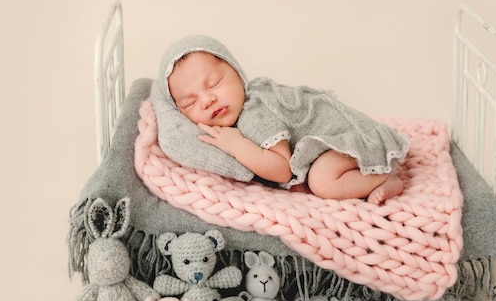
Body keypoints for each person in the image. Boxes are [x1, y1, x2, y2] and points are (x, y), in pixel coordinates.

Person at [152, 35, 409, 205]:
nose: (207, 100)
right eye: (191, 103)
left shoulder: (254, 113)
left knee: (323, 180)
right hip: (339, 141)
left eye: (215, 84)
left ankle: (386, 176)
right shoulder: (241, 112)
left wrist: (238, 146)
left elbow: (281, 167)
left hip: (352, 139)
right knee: (319, 174)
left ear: (237, 73)